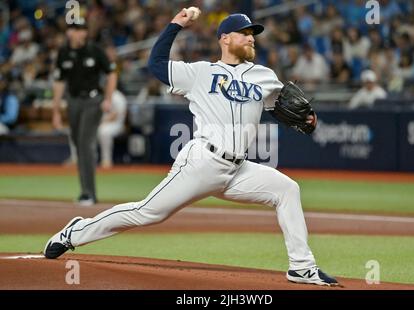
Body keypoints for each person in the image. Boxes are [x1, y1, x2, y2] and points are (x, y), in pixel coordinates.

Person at [44, 10, 339, 287]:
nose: (251, 38)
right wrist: (176, 24)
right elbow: (157, 65)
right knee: (147, 213)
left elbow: (281, 109)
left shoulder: (264, 76)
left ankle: (301, 266)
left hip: (238, 169)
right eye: (244, 33)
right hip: (202, 162)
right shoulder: (199, 73)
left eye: (253, 34)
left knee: (287, 190)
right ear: (225, 38)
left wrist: (306, 119)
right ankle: (75, 232)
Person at [51, 18, 117, 206]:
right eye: (76, 29)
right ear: (68, 32)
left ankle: (90, 193)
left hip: (93, 100)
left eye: (83, 29)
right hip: (73, 101)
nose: (81, 33)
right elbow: (58, 82)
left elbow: (111, 73)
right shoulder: (63, 52)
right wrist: (56, 111)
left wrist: (108, 99)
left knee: (85, 143)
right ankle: (84, 192)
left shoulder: (94, 50)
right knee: (78, 145)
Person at [97, 90, 127, 168]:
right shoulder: (99, 94)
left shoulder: (117, 97)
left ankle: (106, 160)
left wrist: (100, 121)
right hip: (101, 123)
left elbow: (115, 115)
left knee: (104, 131)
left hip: (116, 124)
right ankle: (79, 159)